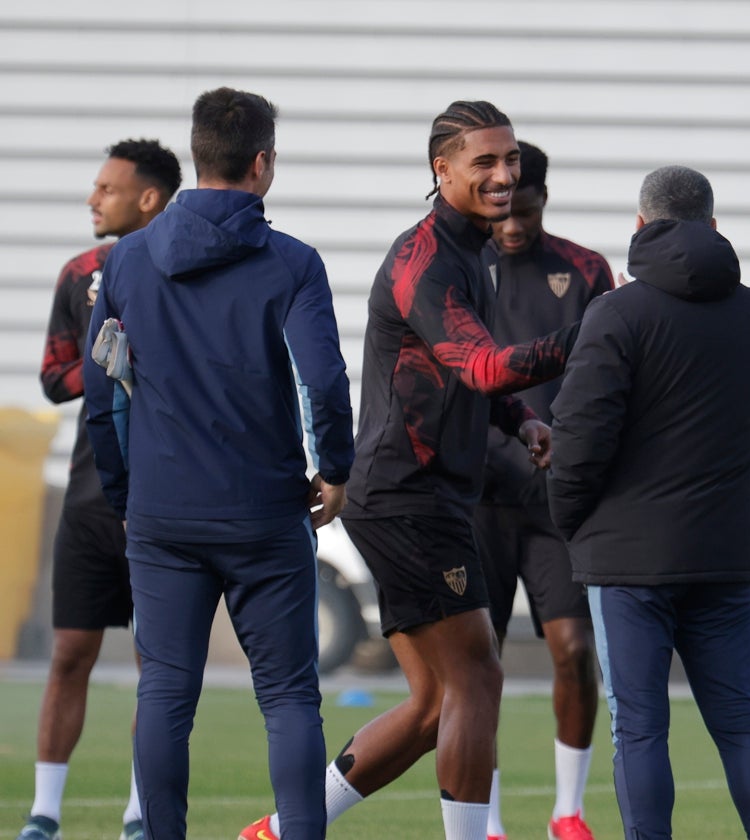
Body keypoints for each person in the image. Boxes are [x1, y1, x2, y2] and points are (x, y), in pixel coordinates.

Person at [241, 101, 579, 840]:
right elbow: (487, 365)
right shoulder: (424, 259)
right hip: (408, 498)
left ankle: (280, 831)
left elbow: (463, 378)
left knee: (433, 707)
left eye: (510, 159)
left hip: (417, 497)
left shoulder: (471, 252)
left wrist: (523, 423)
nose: (503, 174)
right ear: (442, 170)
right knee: (477, 678)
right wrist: (596, 333)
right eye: (484, 162)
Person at [83, 87, 355, 840]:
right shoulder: (293, 264)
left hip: (164, 509)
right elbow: (324, 381)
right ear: (262, 162)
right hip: (266, 508)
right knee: (291, 697)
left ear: (198, 157)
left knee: (166, 692)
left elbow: (101, 389)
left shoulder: (129, 261)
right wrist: (335, 467)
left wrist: (124, 490)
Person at [546, 165, 750, 839]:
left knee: (641, 730)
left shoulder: (617, 315)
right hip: (721, 552)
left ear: (639, 226)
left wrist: (570, 522)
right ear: (714, 226)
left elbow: (580, 440)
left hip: (629, 558)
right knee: (741, 724)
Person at [21, 139, 181, 840]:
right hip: (90, 496)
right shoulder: (79, 272)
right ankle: (43, 814)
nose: (94, 198)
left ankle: (139, 814)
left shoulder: (187, 265)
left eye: (107, 188)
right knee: (68, 654)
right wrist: (106, 360)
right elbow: (54, 377)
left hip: (165, 496)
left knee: (159, 663)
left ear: (149, 198)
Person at [475, 140, 612, 840]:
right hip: (475, 499)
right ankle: (491, 824)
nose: (512, 226)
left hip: (556, 501)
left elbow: (612, 379)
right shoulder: (458, 267)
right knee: (481, 667)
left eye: (524, 211)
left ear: (543, 200)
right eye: (502, 211)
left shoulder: (585, 270)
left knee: (574, 651)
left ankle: (568, 813)